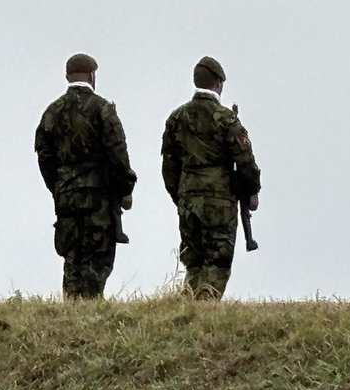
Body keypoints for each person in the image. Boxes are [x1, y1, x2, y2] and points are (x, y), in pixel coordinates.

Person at [35, 53, 137, 299]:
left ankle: (72, 307)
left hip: (66, 196)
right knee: (98, 258)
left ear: (67, 77)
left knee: (72, 257)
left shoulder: (51, 112)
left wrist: (58, 187)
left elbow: (44, 158)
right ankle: (91, 306)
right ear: (92, 76)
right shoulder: (102, 109)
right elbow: (118, 154)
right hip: (98, 195)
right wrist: (125, 188)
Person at [161, 55, 261, 299]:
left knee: (193, 261)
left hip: (188, 199)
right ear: (218, 83)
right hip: (219, 200)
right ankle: (205, 309)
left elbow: (169, 166)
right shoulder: (226, 118)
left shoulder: (176, 118)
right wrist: (252, 191)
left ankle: (188, 308)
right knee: (217, 261)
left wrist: (180, 196)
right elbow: (246, 161)